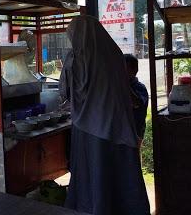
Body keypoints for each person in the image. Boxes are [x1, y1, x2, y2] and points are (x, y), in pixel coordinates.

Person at [59, 15, 150, 215]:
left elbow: (64, 92)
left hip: (84, 128)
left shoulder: (73, 59)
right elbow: (123, 89)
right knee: (116, 175)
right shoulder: (113, 54)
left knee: (91, 175)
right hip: (114, 125)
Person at [124, 53, 149, 146]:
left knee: (134, 157)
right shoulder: (119, 87)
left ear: (135, 70)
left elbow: (137, 103)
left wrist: (124, 84)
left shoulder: (140, 87)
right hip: (123, 130)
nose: (121, 71)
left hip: (135, 131)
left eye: (125, 68)